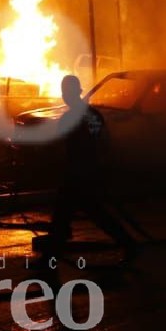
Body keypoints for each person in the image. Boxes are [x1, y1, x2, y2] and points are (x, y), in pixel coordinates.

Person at [41, 75, 137, 260]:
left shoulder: (75, 117)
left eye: (66, 92)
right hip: (84, 173)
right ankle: (128, 243)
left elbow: (67, 145)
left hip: (80, 174)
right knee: (78, 213)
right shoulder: (90, 115)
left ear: (71, 93)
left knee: (74, 213)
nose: (65, 96)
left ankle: (49, 258)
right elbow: (101, 142)